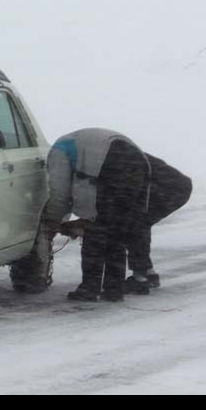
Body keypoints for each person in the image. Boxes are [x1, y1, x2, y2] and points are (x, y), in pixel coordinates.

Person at [42, 128, 151, 302]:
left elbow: (59, 193)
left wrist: (52, 221)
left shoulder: (58, 152)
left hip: (111, 164)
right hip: (138, 164)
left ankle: (90, 288)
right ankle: (114, 289)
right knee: (117, 232)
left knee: (95, 231)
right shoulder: (76, 142)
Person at [123, 153, 192, 293]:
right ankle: (148, 273)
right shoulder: (125, 153)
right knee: (139, 224)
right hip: (176, 186)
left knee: (135, 226)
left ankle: (140, 277)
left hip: (167, 189)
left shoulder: (121, 160)